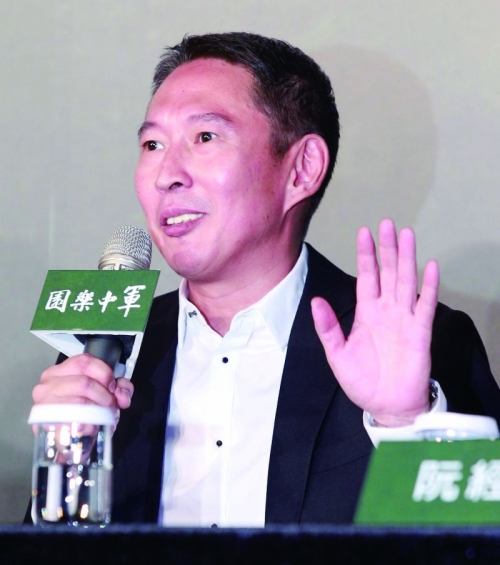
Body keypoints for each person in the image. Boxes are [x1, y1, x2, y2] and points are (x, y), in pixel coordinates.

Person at [30, 32, 500, 526]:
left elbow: (477, 540)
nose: (166, 174)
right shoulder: (105, 355)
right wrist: (63, 464)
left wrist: (406, 423)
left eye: (205, 137)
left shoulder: (422, 346)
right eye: (152, 144)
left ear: (302, 168)